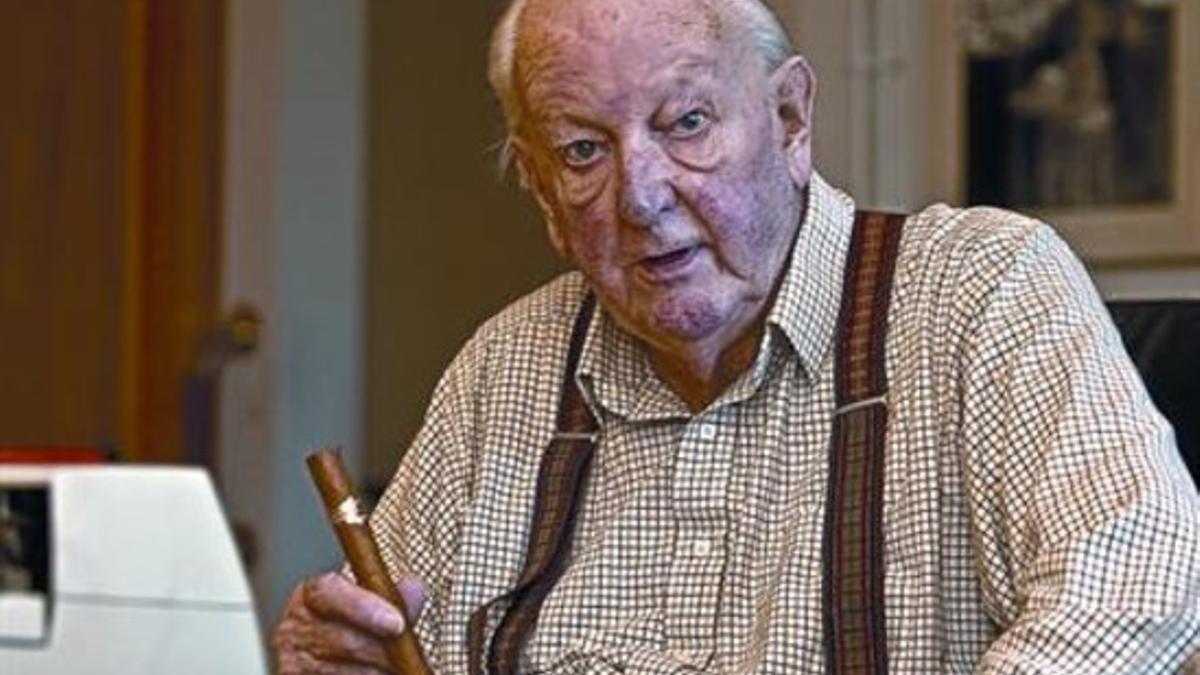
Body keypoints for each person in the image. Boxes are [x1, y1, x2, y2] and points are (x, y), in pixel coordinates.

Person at [271, 0, 1200, 672]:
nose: (640, 196)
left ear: (791, 119)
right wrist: (333, 661)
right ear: (544, 195)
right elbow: (388, 641)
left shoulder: (981, 289)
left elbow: (1138, 596)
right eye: (583, 150)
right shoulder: (503, 369)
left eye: (686, 124)